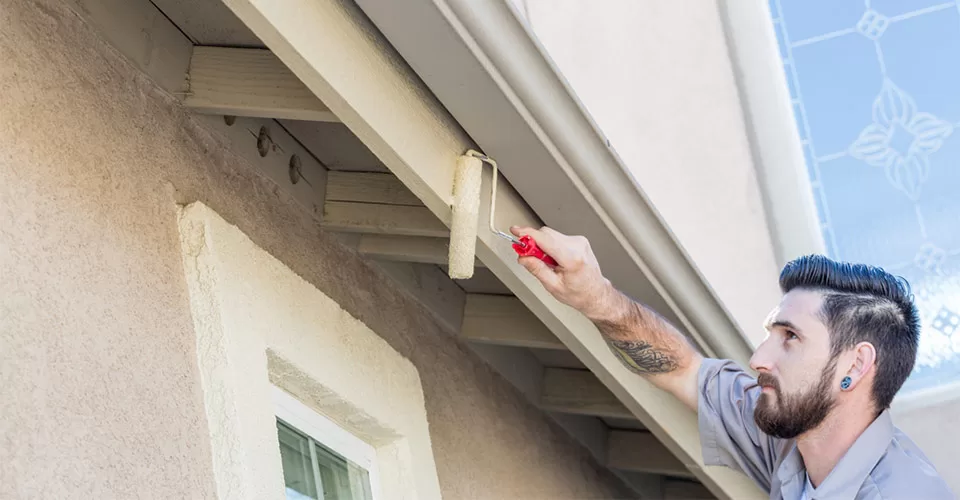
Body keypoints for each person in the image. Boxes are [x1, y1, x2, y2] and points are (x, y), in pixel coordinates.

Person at [509, 225, 953, 499]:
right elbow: (682, 368)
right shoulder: (788, 438)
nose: (759, 358)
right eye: (769, 334)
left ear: (855, 367)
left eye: (790, 338)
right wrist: (596, 297)